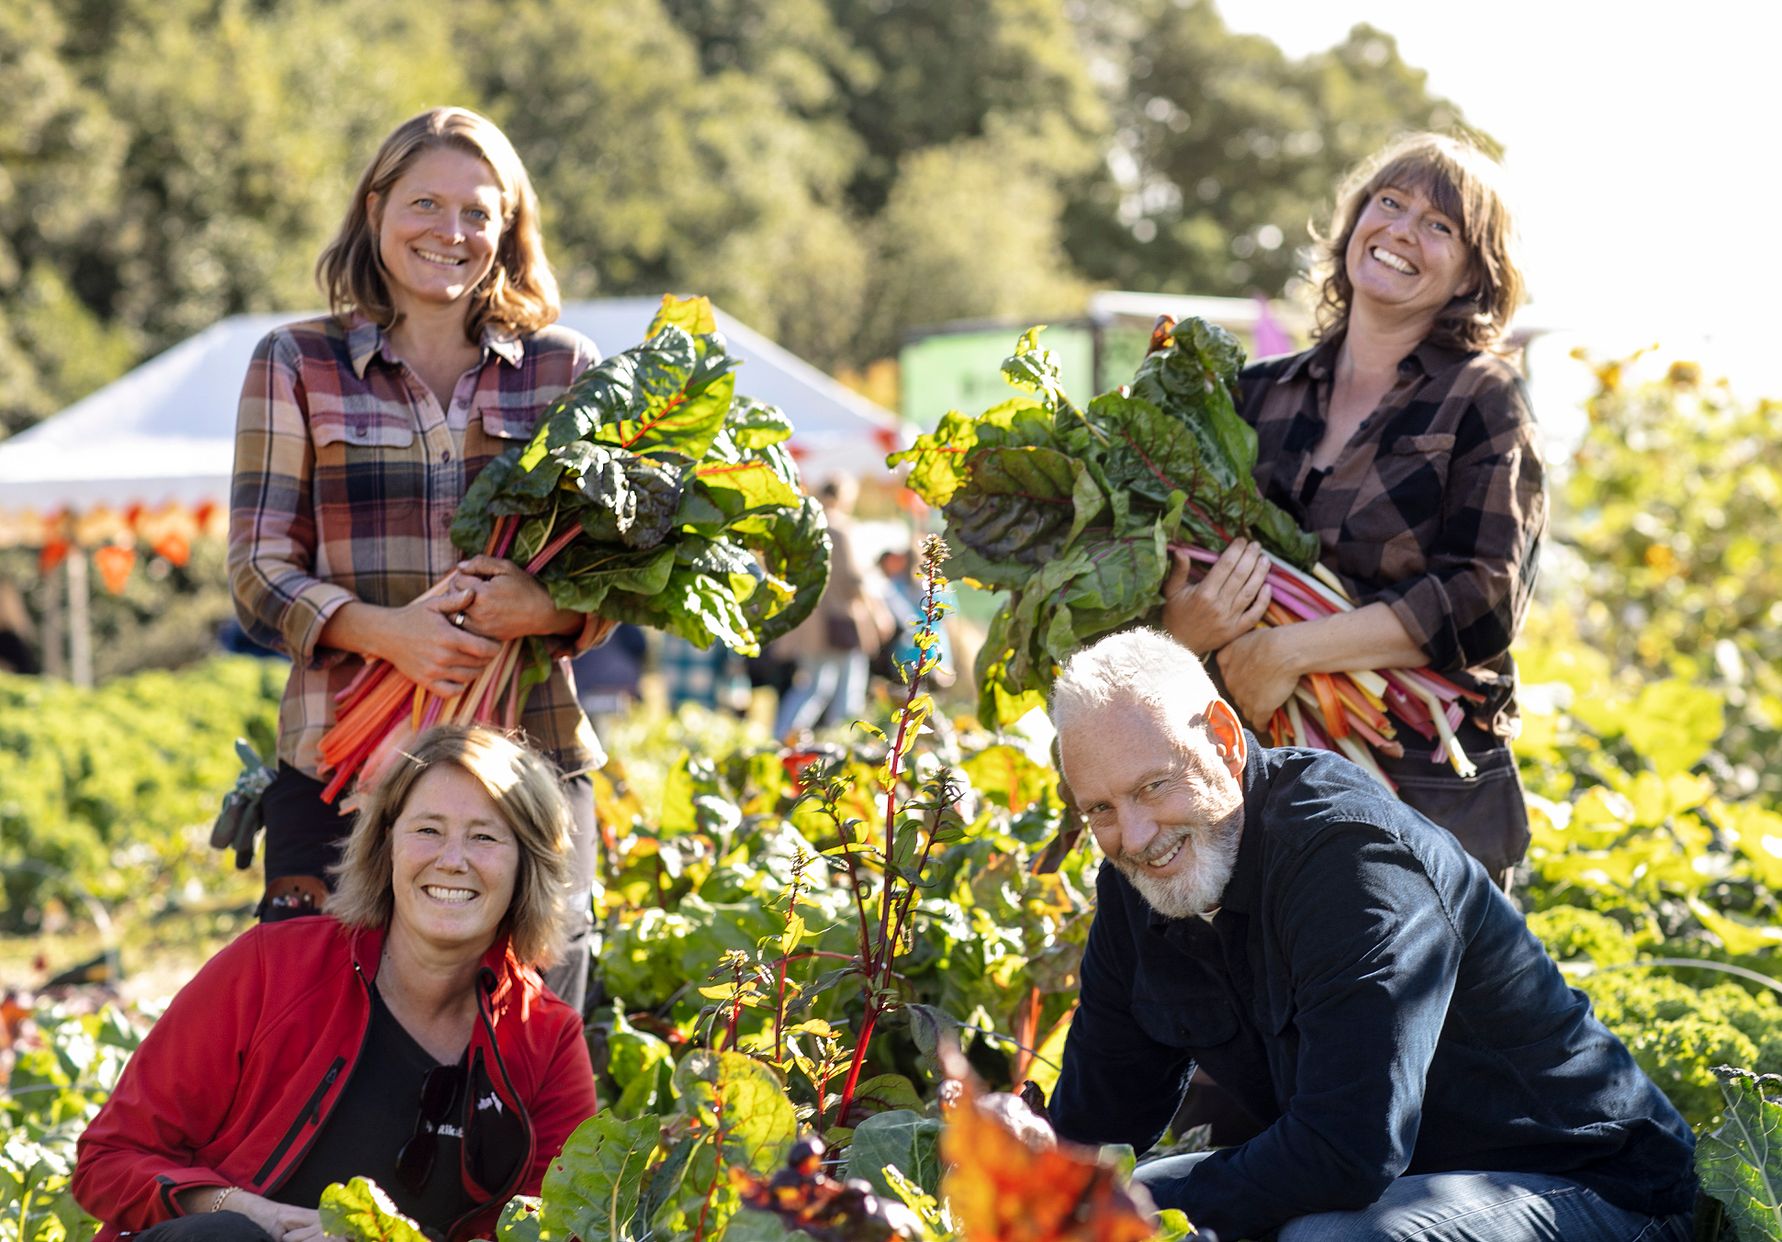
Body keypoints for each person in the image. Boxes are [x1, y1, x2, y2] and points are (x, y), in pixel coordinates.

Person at [1045, 629, 1696, 1242]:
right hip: (1406, 1183)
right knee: (1110, 1195)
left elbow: (1348, 1148)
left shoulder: (1348, 856)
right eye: (1100, 809)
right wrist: (1030, 1177)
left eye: (1153, 785)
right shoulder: (1138, 880)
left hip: (1592, 1191)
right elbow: (1096, 1117)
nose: (1133, 836)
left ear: (1222, 738)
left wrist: (1131, 1212)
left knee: (1334, 1237)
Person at [227, 107, 609, 1010]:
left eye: (480, 213)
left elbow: (615, 574)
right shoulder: (295, 361)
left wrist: (543, 609)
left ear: (509, 230)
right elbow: (255, 569)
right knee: (320, 1028)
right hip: (338, 764)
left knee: (529, 1028)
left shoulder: (566, 371)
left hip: (529, 755)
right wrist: (389, 636)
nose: (452, 232)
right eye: (426, 204)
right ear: (375, 210)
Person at [1163, 133, 1545, 889]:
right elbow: (1171, 564)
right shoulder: (1254, 395)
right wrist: (1185, 629)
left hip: (1425, 793)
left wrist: (1287, 652)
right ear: (1354, 223)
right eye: (1390, 203)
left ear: (1475, 272)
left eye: (1440, 227)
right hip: (1259, 781)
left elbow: (1483, 598)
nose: (1403, 230)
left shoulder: (1482, 397)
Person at [73, 725, 600, 1242]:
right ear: (386, 844)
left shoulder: (547, 1040)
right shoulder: (272, 967)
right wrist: (247, 1211)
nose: (452, 860)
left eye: (484, 836)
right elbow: (109, 1158)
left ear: (527, 865)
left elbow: (555, 1230)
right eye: (427, 830)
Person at [771, 474, 893, 738]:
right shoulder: (841, 529)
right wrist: (878, 613)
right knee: (847, 690)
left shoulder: (805, 527)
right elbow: (855, 579)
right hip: (842, 621)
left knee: (812, 686)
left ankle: (783, 738)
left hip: (809, 621)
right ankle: (845, 742)